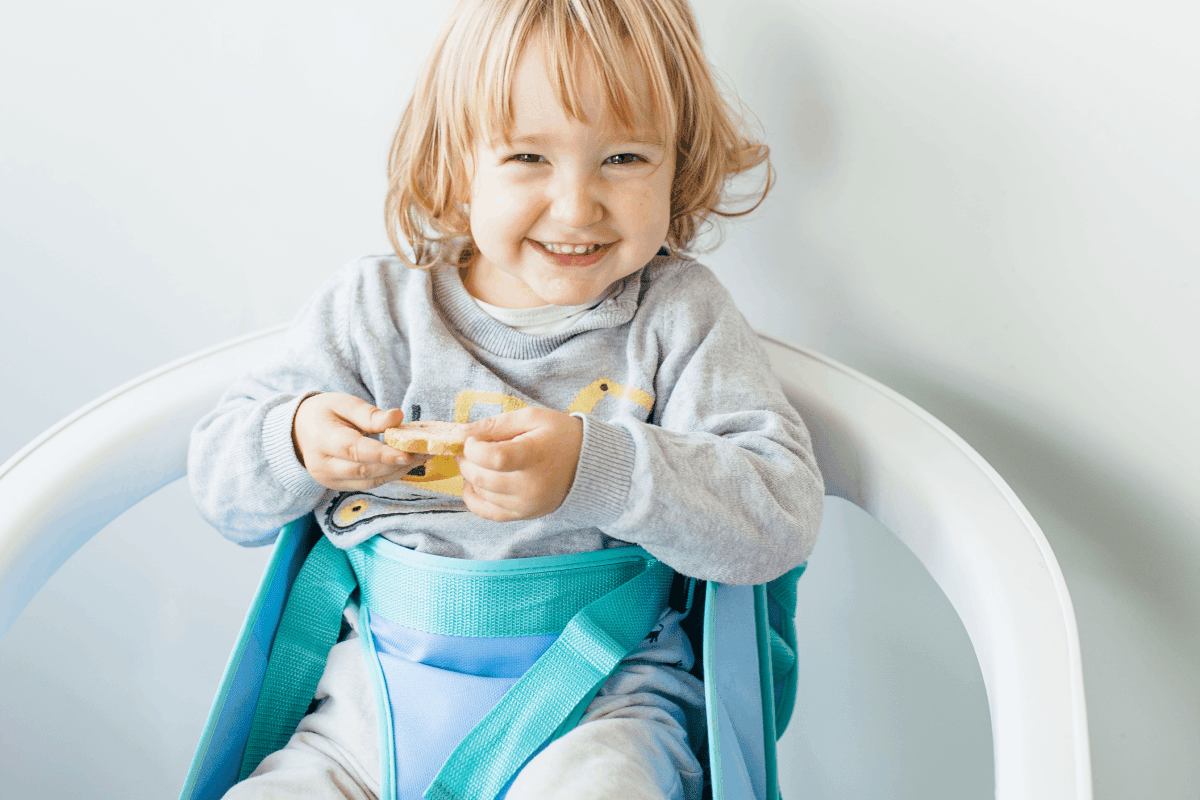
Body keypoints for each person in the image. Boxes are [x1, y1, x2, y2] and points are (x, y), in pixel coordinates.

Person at [188, 0, 824, 798]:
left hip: (601, 710)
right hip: (367, 715)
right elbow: (221, 493)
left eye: (624, 158)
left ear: (678, 164)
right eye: (529, 156)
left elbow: (780, 519)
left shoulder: (678, 317)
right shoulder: (374, 310)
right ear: (457, 164)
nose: (576, 205)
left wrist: (598, 467)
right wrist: (296, 437)